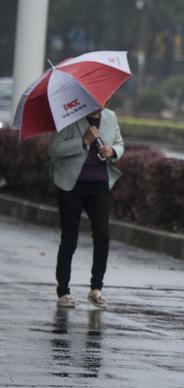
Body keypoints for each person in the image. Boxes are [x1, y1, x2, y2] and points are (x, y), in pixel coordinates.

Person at [48, 107, 124, 309]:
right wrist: (84, 140)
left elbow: (119, 143)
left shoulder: (110, 116)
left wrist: (112, 151)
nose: (101, 101)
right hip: (71, 185)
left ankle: (96, 289)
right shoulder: (68, 116)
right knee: (69, 239)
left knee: (102, 235)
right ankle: (63, 291)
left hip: (99, 185)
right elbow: (54, 149)